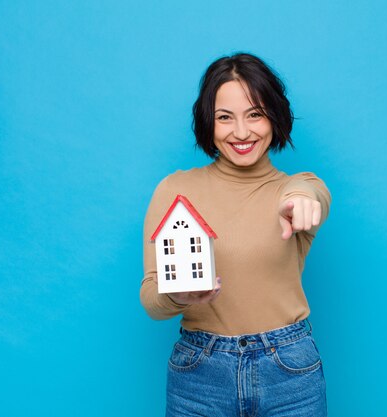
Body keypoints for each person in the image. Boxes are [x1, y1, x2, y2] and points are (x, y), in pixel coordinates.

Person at [140, 52, 331, 417]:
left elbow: (312, 192)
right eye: (225, 117)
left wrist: (303, 199)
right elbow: (150, 297)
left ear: (274, 116)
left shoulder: (295, 189)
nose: (241, 133)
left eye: (255, 114)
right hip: (199, 373)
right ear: (207, 123)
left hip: (289, 371)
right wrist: (177, 295)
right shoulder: (175, 190)